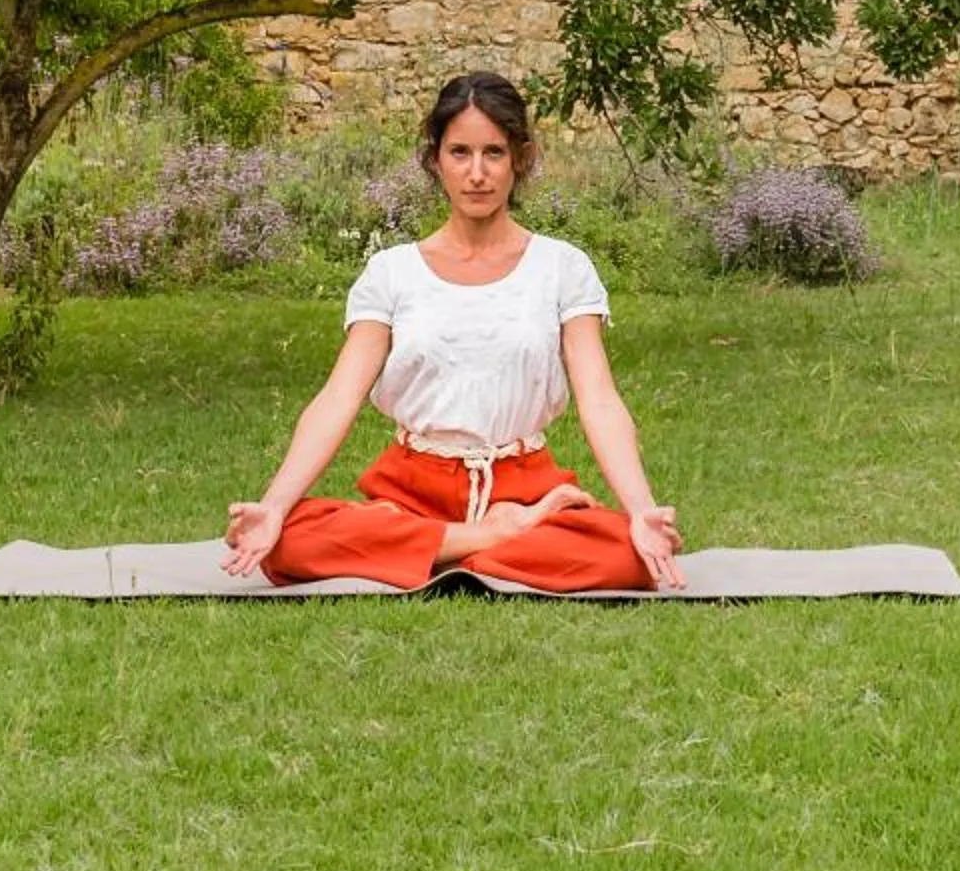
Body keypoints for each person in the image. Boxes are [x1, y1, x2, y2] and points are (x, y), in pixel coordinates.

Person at [223, 70, 685, 592]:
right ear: (435, 159)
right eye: (459, 153)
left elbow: (599, 399)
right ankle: (481, 543)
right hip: (411, 493)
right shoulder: (392, 272)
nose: (477, 174)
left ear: (521, 158)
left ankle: (432, 552)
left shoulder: (562, 267)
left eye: (494, 153)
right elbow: (338, 397)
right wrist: (274, 506)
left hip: (525, 490)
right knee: (289, 537)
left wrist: (642, 510)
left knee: (629, 553)